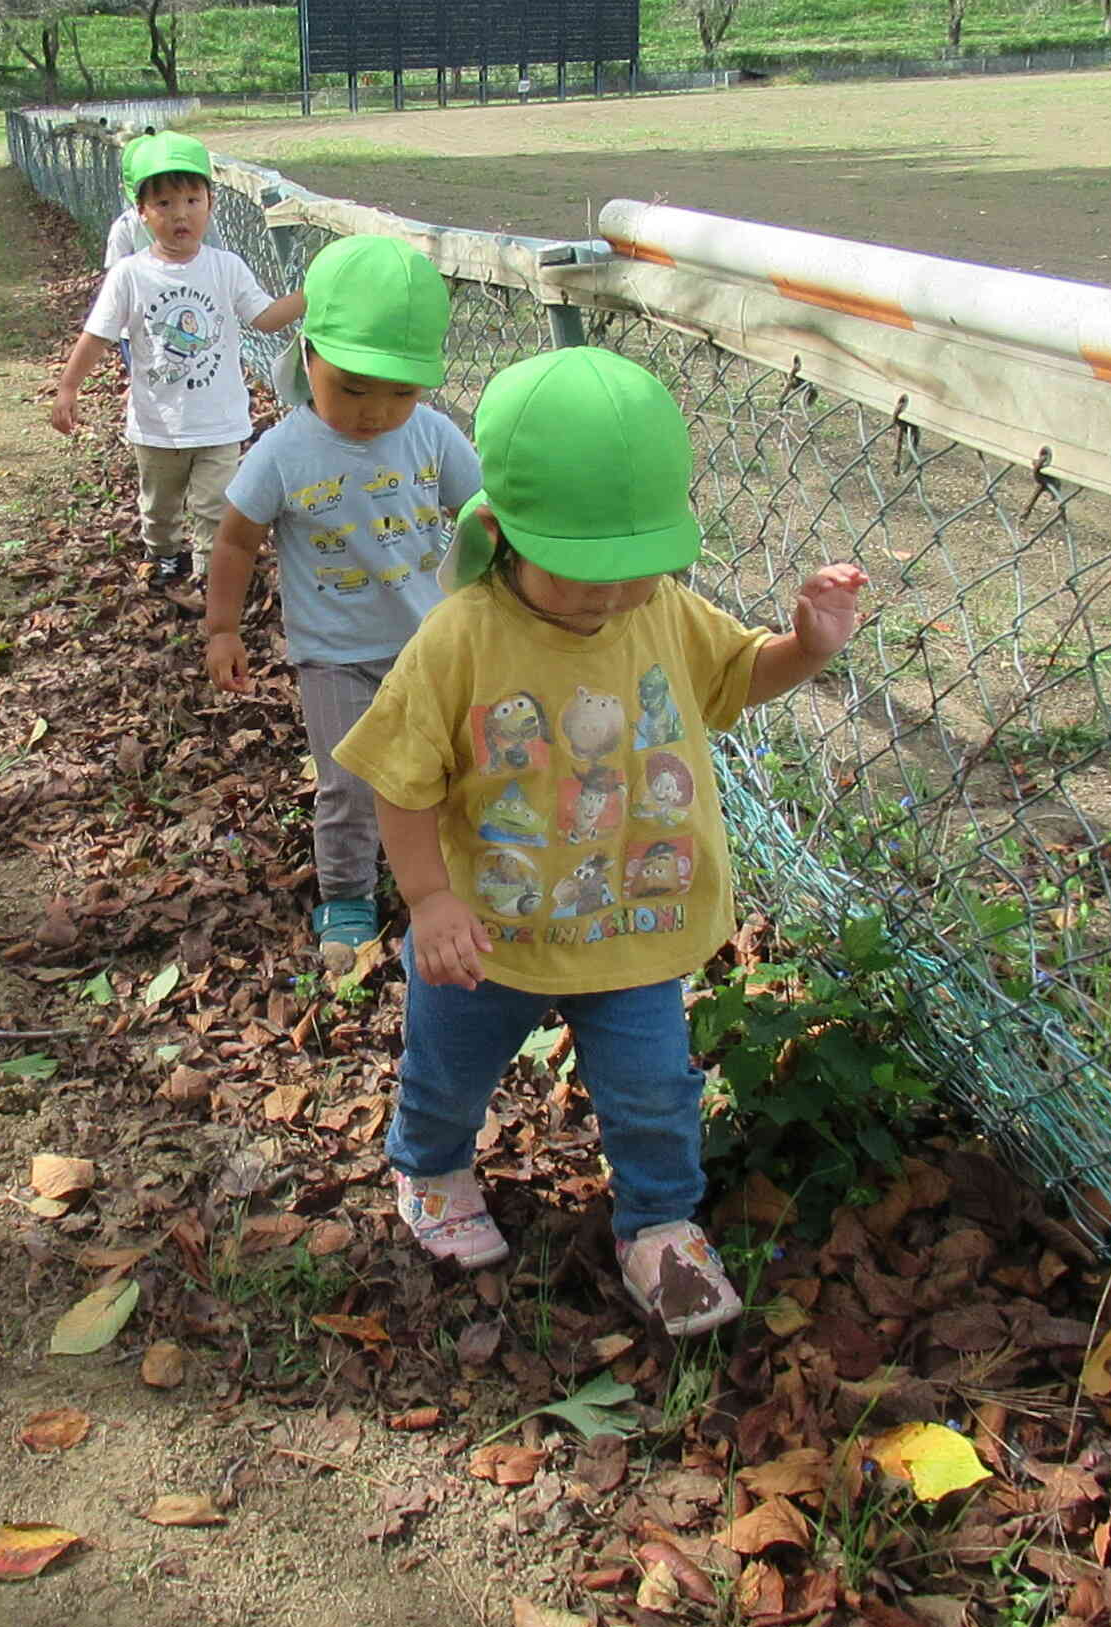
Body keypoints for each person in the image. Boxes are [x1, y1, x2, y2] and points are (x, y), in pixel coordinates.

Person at [333, 346, 867, 1336]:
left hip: (629, 921)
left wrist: (805, 649)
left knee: (659, 1090)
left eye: (638, 568)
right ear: (501, 532)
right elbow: (401, 780)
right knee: (447, 1074)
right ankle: (432, 1166)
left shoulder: (659, 609)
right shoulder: (461, 637)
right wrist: (430, 899)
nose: (615, 595)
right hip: (485, 938)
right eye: (586, 573)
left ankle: (659, 1225)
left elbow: (729, 682)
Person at [204, 235, 480, 974]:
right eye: (353, 387)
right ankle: (349, 892)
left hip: (431, 645)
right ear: (308, 354)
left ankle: (446, 876)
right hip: (335, 656)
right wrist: (223, 628)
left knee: (452, 766)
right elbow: (235, 542)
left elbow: (483, 511)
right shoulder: (283, 451)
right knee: (350, 781)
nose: (374, 412)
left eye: (400, 391)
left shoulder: (431, 435)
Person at [50, 133, 302, 608]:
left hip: (219, 422)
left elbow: (264, 317)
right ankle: (164, 552)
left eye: (192, 199)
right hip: (157, 426)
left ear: (211, 203)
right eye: (164, 203)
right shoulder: (130, 274)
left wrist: (314, 294)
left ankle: (211, 575)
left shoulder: (226, 268)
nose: (180, 214)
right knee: (159, 507)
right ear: (141, 213)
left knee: (214, 506)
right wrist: (68, 388)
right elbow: (99, 335)